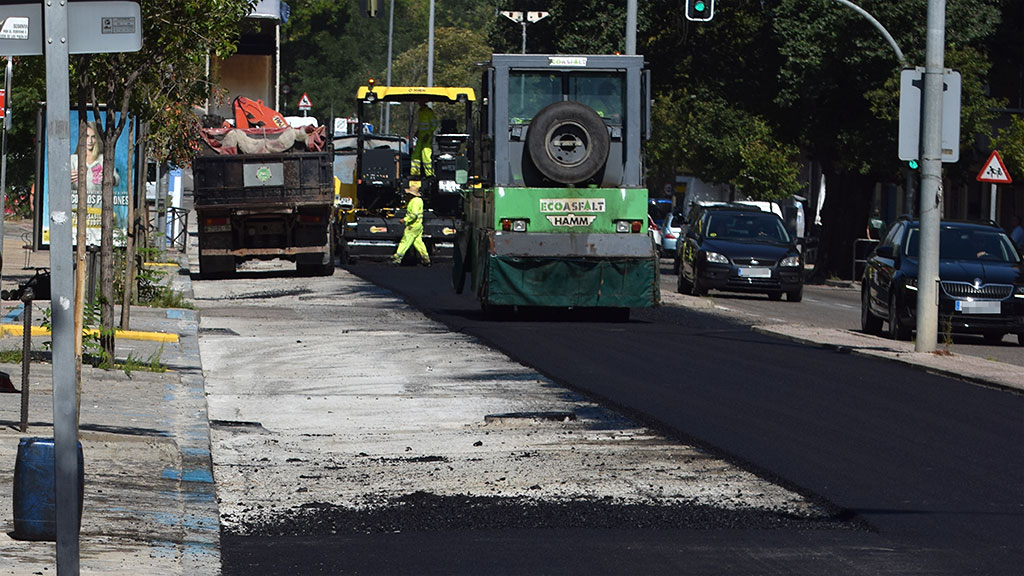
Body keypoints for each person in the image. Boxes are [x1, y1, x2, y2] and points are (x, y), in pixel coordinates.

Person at [391, 183, 430, 266]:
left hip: (412, 226)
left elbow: (413, 214)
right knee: (418, 242)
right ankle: (425, 258)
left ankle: (397, 258)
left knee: (405, 242)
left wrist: (404, 220)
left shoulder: (414, 202)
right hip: (419, 226)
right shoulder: (419, 201)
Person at [410, 103, 439, 178]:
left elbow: (434, 124)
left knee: (426, 155)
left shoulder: (429, 112)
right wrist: (417, 132)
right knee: (415, 155)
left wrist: (428, 134)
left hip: (426, 137)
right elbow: (421, 125)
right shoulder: (420, 111)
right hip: (420, 137)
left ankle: (429, 175)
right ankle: (415, 173)